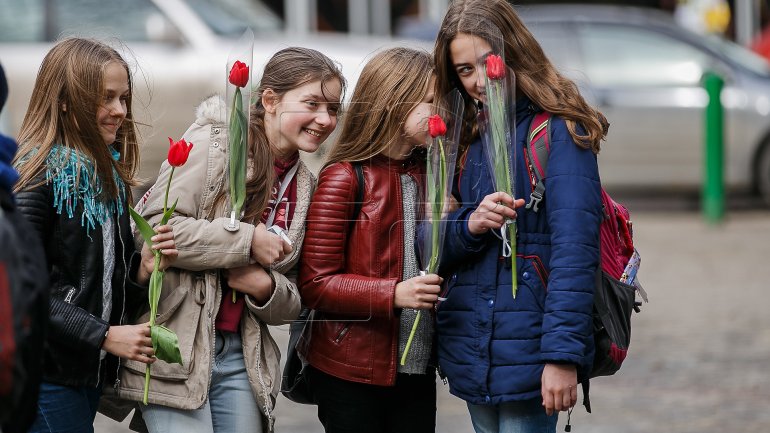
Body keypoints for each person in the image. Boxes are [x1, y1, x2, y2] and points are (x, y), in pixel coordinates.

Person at [113, 47, 345, 433]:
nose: (324, 119)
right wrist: (245, 240)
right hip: (177, 345)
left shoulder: (305, 184)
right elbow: (151, 232)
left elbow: (296, 297)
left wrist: (267, 289)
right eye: (312, 103)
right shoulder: (216, 142)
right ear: (269, 100)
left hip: (243, 353)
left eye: (333, 108)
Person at [432, 1, 608, 432]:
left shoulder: (558, 132)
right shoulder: (463, 137)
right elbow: (431, 243)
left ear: (512, 53)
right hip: (474, 346)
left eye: (484, 63)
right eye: (463, 70)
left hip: (533, 345)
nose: (476, 81)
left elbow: (574, 252)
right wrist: (469, 224)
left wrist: (562, 357)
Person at [11, 37, 177, 433]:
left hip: (85, 372)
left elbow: (98, 286)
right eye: (106, 98)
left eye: (124, 98)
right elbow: (21, 293)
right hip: (45, 375)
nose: (120, 111)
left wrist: (141, 272)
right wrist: (101, 335)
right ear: (65, 100)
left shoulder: (109, 182)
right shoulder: (37, 180)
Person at [298, 47, 442, 433]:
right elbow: (315, 284)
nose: (439, 112)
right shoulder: (344, 178)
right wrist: (393, 294)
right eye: (430, 102)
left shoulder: (433, 174)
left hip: (415, 365)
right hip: (352, 369)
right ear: (395, 102)